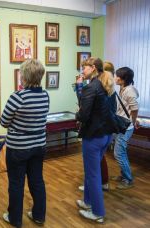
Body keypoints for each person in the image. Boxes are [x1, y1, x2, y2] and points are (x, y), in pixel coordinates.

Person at [0, 59, 49, 227]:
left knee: (16, 183)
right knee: (37, 181)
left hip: (18, 147)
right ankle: (39, 216)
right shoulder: (45, 95)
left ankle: (15, 219)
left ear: (25, 77)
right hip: (39, 146)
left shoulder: (18, 97)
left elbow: (4, 122)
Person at [75, 57, 115, 223]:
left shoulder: (92, 87)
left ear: (92, 68)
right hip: (106, 135)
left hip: (94, 136)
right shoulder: (105, 84)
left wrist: (77, 114)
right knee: (91, 172)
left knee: (93, 175)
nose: (82, 70)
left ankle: (97, 212)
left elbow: (83, 114)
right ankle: (87, 202)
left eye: (84, 67)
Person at [112, 67, 139, 189]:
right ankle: (123, 175)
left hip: (126, 126)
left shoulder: (129, 91)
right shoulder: (123, 89)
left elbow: (135, 108)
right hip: (121, 124)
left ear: (123, 79)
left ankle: (128, 179)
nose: (115, 78)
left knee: (118, 153)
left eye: (117, 76)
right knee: (121, 152)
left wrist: (133, 121)